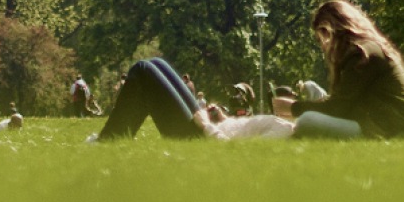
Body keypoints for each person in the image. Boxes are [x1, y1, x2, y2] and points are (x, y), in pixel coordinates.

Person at [271, 0, 404, 139]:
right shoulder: (369, 48)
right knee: (307, 121)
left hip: (385, 128)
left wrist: (294, 108)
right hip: (391, 124)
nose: (322, 46)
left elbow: (338, 107)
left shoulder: (361, 54)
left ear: (332, 30)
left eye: (321, 37)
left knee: (308, 121)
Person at [90, 56, 295, 141]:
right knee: (155, 62)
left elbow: (234, 151)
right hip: (208, 127)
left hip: (200, 137)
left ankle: (107, 141)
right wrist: (224, 119)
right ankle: (112, 138)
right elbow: (243, 135)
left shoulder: (285, 130)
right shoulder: (285, 125)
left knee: (143, 71)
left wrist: (207, 126)